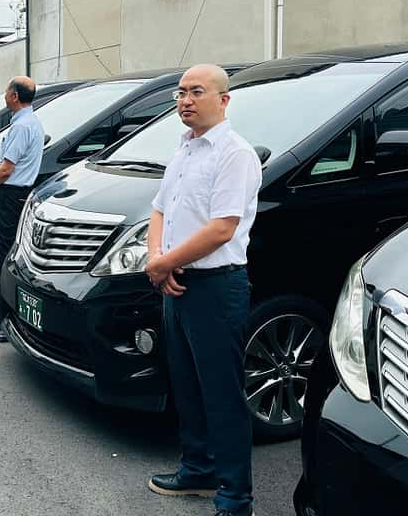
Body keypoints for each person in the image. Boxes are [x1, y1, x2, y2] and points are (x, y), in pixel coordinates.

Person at [143, 64, 262, 516]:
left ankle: (235, 495)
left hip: (216, 286)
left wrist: (164, 263)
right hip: (177, 282)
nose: (185, 100)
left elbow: (222, 229)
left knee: (221, 392)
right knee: (187, 384)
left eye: (196, 92)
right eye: (180, 93)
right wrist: (159, 261)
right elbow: (159, 210)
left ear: (223, 100)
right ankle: (198, 468)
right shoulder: (185, 150)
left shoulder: (234, 154)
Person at [0, 77, 42, 341]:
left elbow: (7, 168)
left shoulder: (21, 126)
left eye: (6, 91)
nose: (4, 95)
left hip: (10, 194)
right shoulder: (32, 122)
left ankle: (9, 319)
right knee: (9, 252)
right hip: (18, 194)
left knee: (5, 254)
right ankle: (9, 315)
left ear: (15, 96)